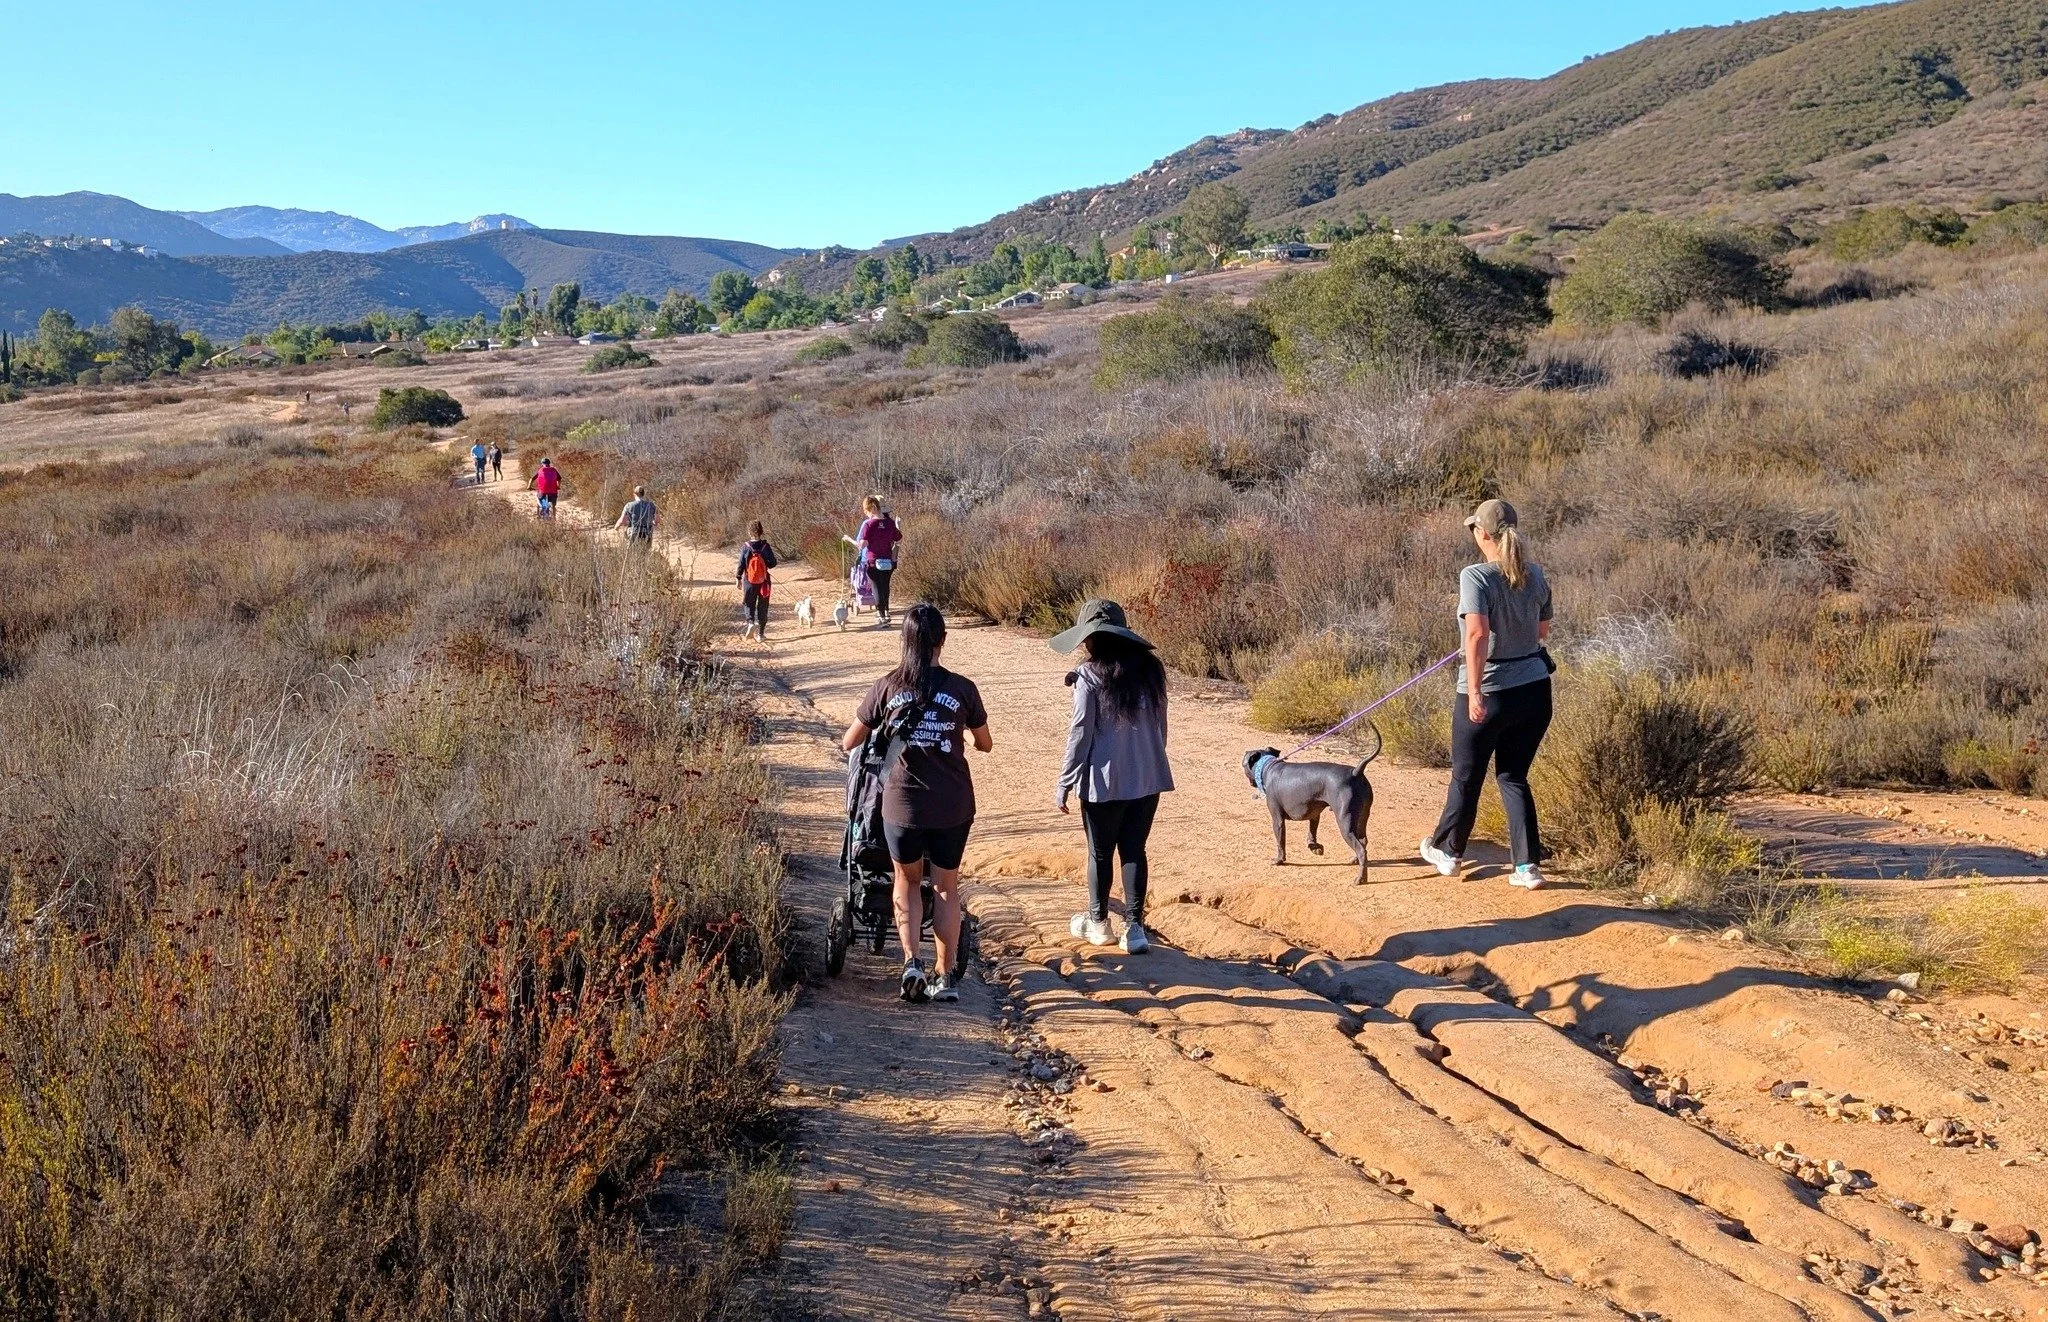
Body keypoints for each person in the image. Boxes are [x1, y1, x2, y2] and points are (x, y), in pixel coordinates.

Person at [840, 605, 992, 1003]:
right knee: (945, 886)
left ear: (904, 641)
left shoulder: (887, 687)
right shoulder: (962, 689)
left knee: (905, 881)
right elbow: (985, 742)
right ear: (943, 640)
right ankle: (945, 976)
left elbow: (849, 741)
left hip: (902, 804)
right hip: (953, 804)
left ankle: (911, 962)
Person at [1420, 499, 1555, 889]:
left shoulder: (1475, 576)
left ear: (1482, 534)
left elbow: (1477, 635)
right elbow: (1541, 632)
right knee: (1513, 776)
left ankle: (1448, 851)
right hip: (1534, 691)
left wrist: (1476, 691)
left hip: (1491, 690)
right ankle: (1527, 868)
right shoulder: (1535, 573)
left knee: (1466, 775)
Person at [1050, 600, 1173, 953]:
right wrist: (1149, 760)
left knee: (1100, 853)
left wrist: (1065, 782)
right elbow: (1161, 728)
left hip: (1103, 782)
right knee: (1134, 850)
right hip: (1149, 777)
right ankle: (1135, 929)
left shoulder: (1088, 676)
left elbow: (1080, 733)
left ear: (1092, 639)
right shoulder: (1152, 670)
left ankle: (1098, 922)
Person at [841, 495, 903, 627]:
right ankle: (886, 613)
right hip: (887, 561)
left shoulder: (868, 524)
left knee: (876, 589)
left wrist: (848, 539)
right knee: (885, 586)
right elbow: (898, 539)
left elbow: (861, 545)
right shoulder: (890, 523)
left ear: (872, 508)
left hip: (873, 561)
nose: (866, 514)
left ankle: (881, 616)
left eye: (866, 511)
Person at [735, 521, 778, 641]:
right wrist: (765, 565)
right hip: (764, 581)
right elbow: (773, 563)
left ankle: (750, 623)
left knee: (749, 603)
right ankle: (760, 634)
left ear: (749, 532)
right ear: (761, 531)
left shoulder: (746, 546)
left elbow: (741, 564)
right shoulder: (765, 546)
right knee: (763, 606)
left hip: (749, 581)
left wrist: (738, 578)